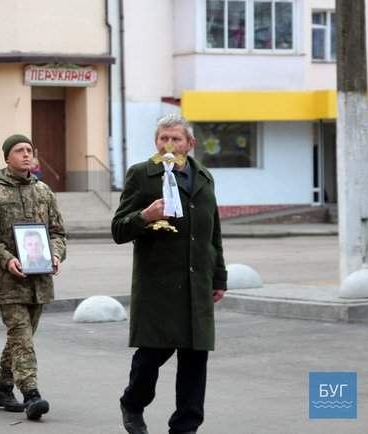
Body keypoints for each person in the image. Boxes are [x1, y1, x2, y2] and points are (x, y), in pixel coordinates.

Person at [111, 114, 227, 434]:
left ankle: (185, 427)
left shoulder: (204, 177)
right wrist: (145, 216)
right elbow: (118, 229)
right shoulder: (142, 176)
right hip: (158, 286)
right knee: (151, 356)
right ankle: (133, 403)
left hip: (196, 284)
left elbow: (212, 233)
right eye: (163, 138)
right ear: (155, 142)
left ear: (190, 144)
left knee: (194, 362)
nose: (169, 144)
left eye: (176, 139)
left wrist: (219, 277)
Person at [0, 134, 66, 420]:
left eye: (29, 150)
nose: (26, 155)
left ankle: (3, 388)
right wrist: (7, 258)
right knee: (22, 338)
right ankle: (31, 394)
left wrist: (56, 254)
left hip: (40, 281)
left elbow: (58, 233)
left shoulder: (44, 191)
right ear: (7, 157)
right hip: (9, 280)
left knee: (19, 338)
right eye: (19, 150)